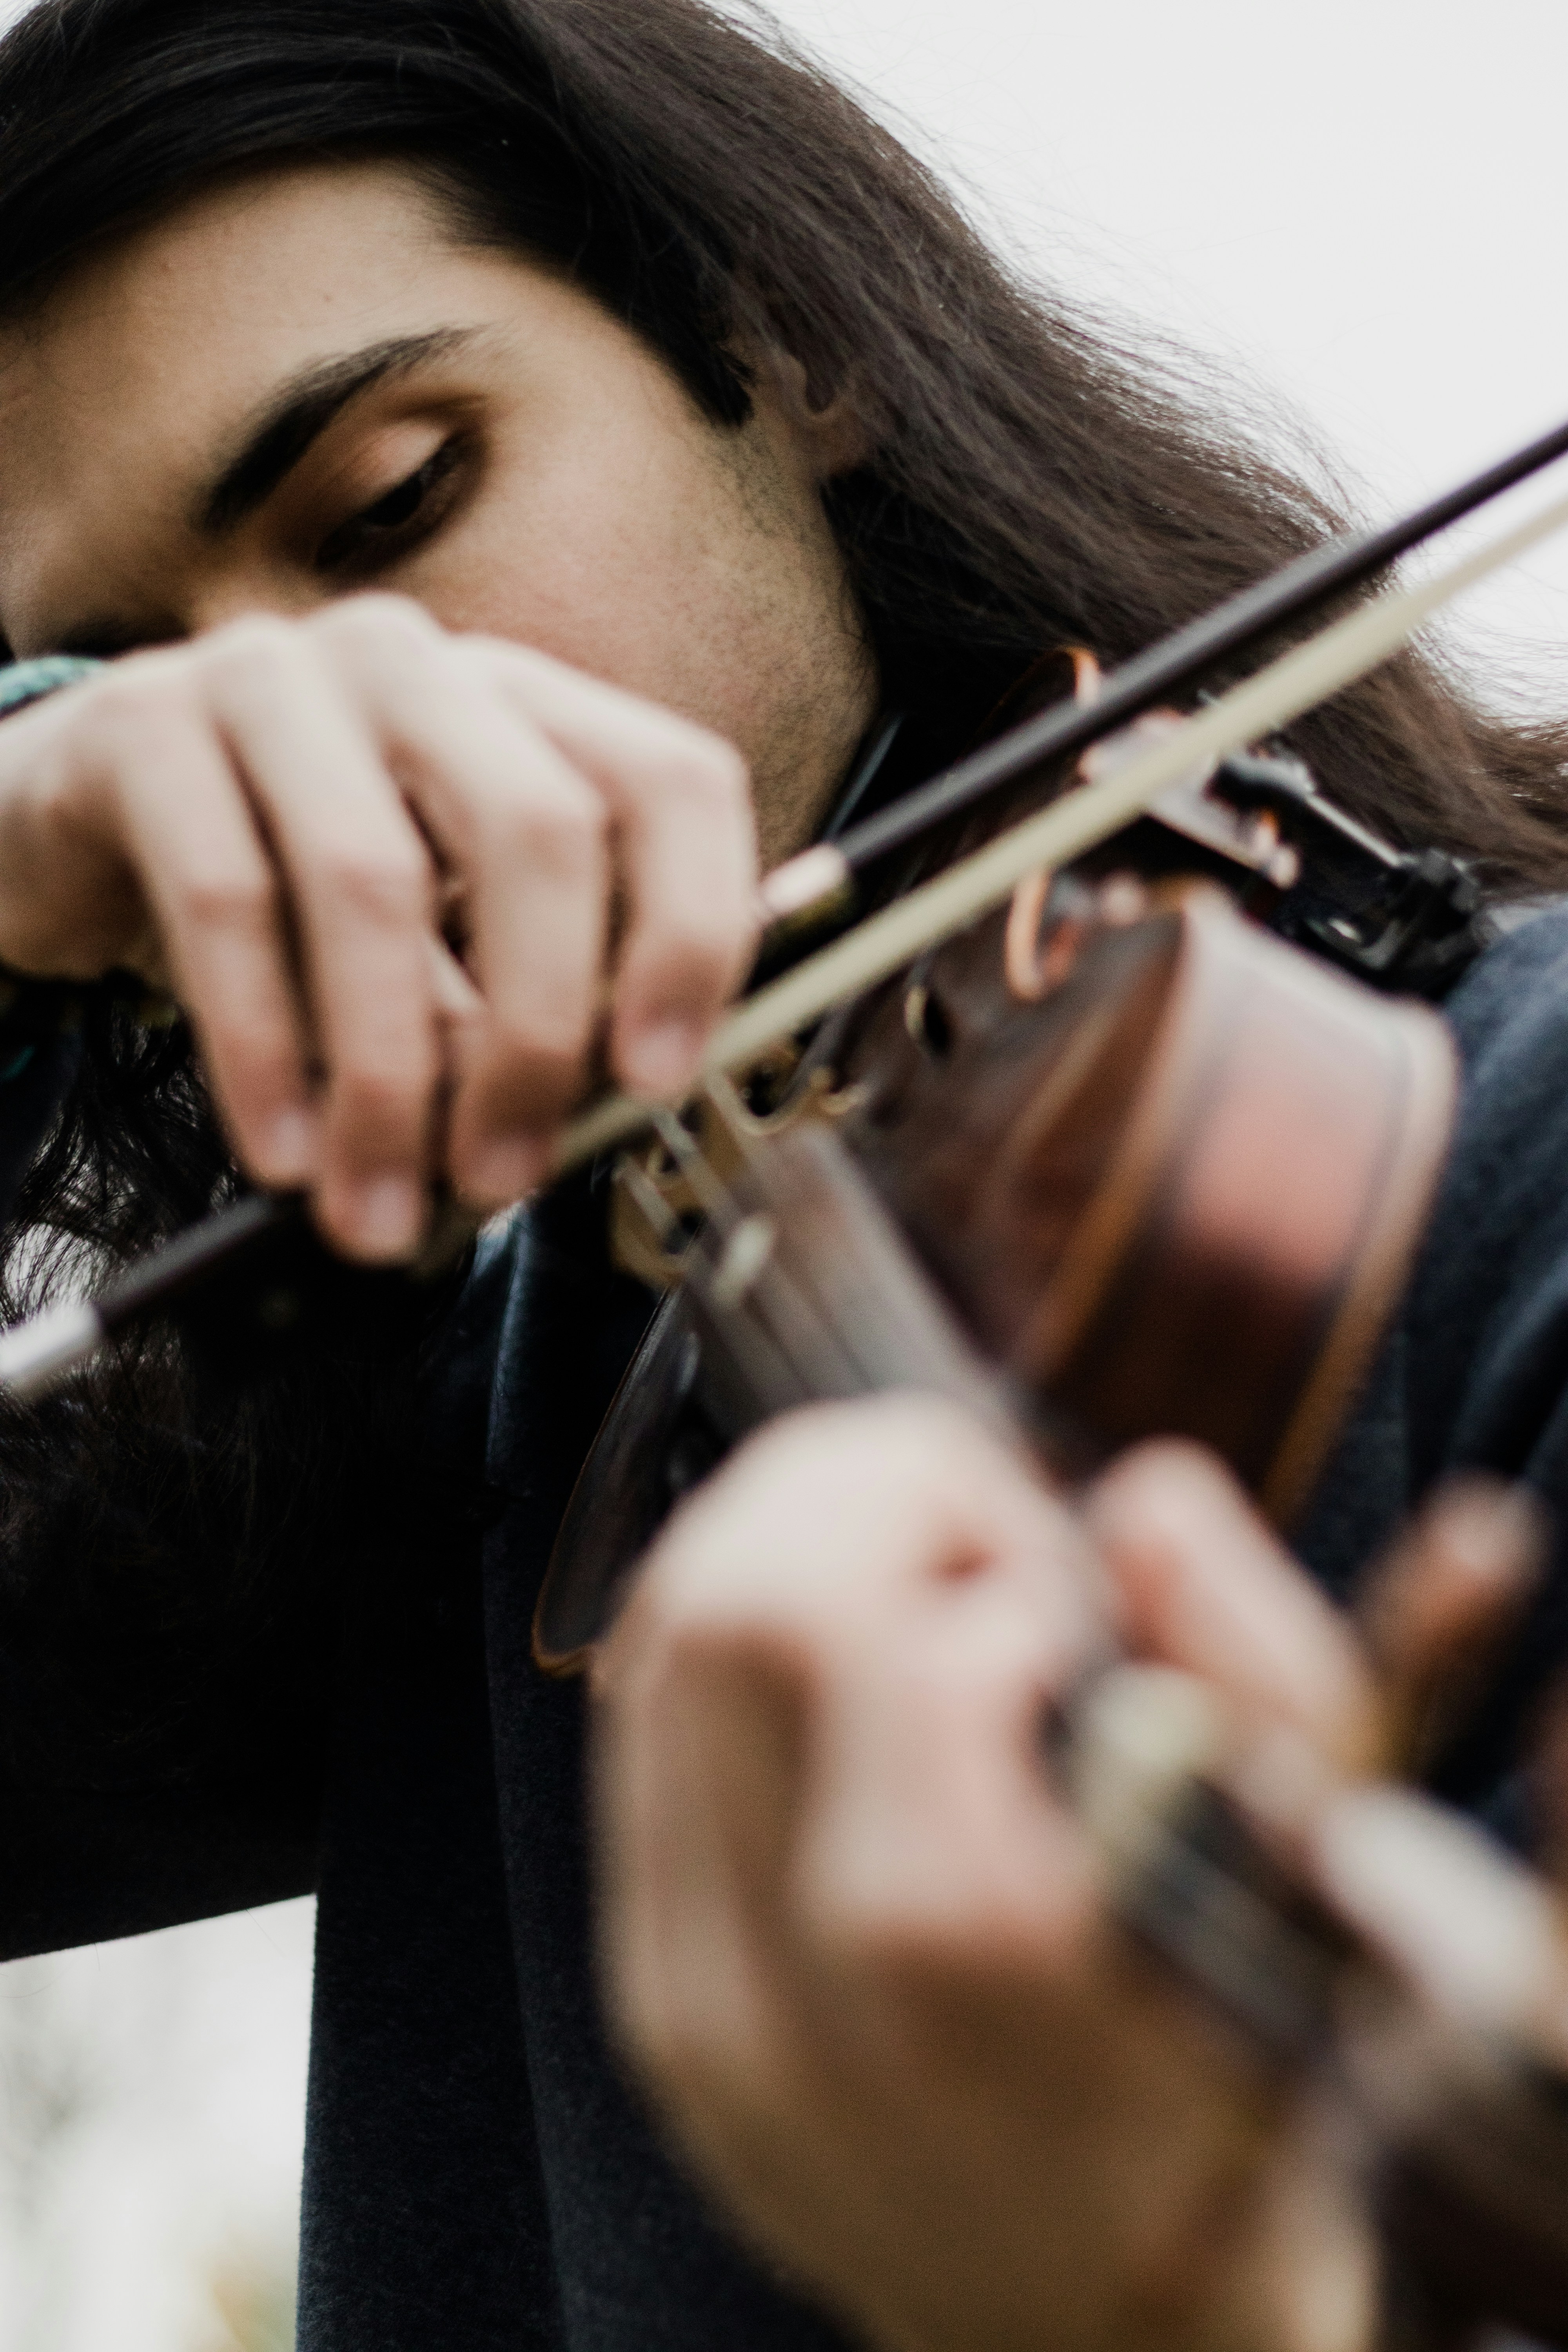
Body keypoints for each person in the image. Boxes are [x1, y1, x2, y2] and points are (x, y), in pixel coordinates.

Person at [0, 2, 1563, 2346]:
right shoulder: (390, 1447)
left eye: (396, 503)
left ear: (783, 347)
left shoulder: (1499, 1132)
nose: (314, 747)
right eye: (131, 681)